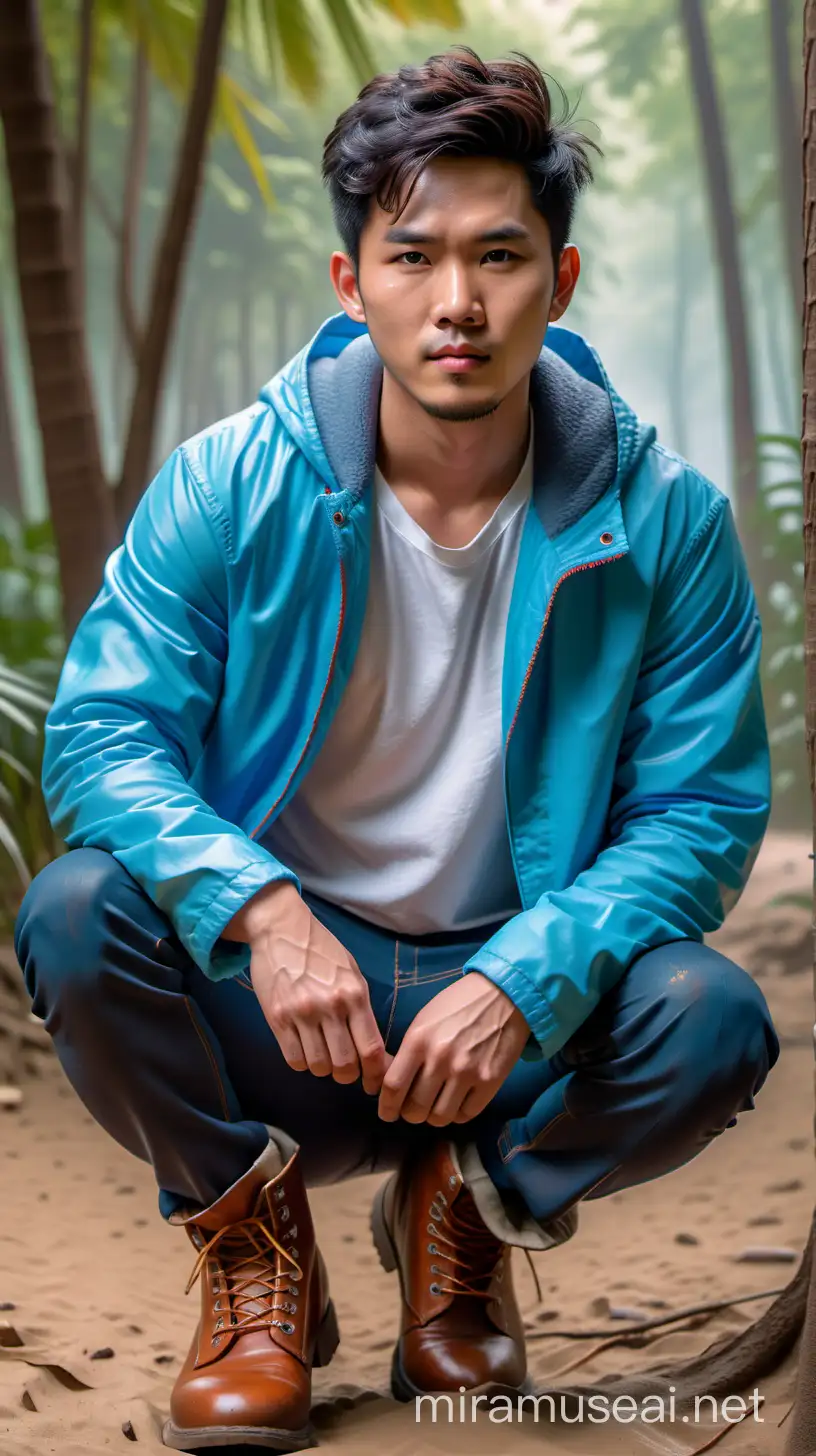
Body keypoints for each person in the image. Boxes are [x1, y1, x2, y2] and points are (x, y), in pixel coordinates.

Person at [14, 43, 779, 1455]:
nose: (459, 305)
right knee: (73, 914)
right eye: (414, 256)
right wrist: (259, 909)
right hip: (286, 1002)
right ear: (350, 282)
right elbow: (105, 736)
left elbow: (698, 813)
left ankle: (466, 1212)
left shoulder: (666, 519)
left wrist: (526, 975)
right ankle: (252, 1252)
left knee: (711, 1022)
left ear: (559, 278)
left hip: (510, 1018)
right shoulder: (233, 483)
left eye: (500, 257)